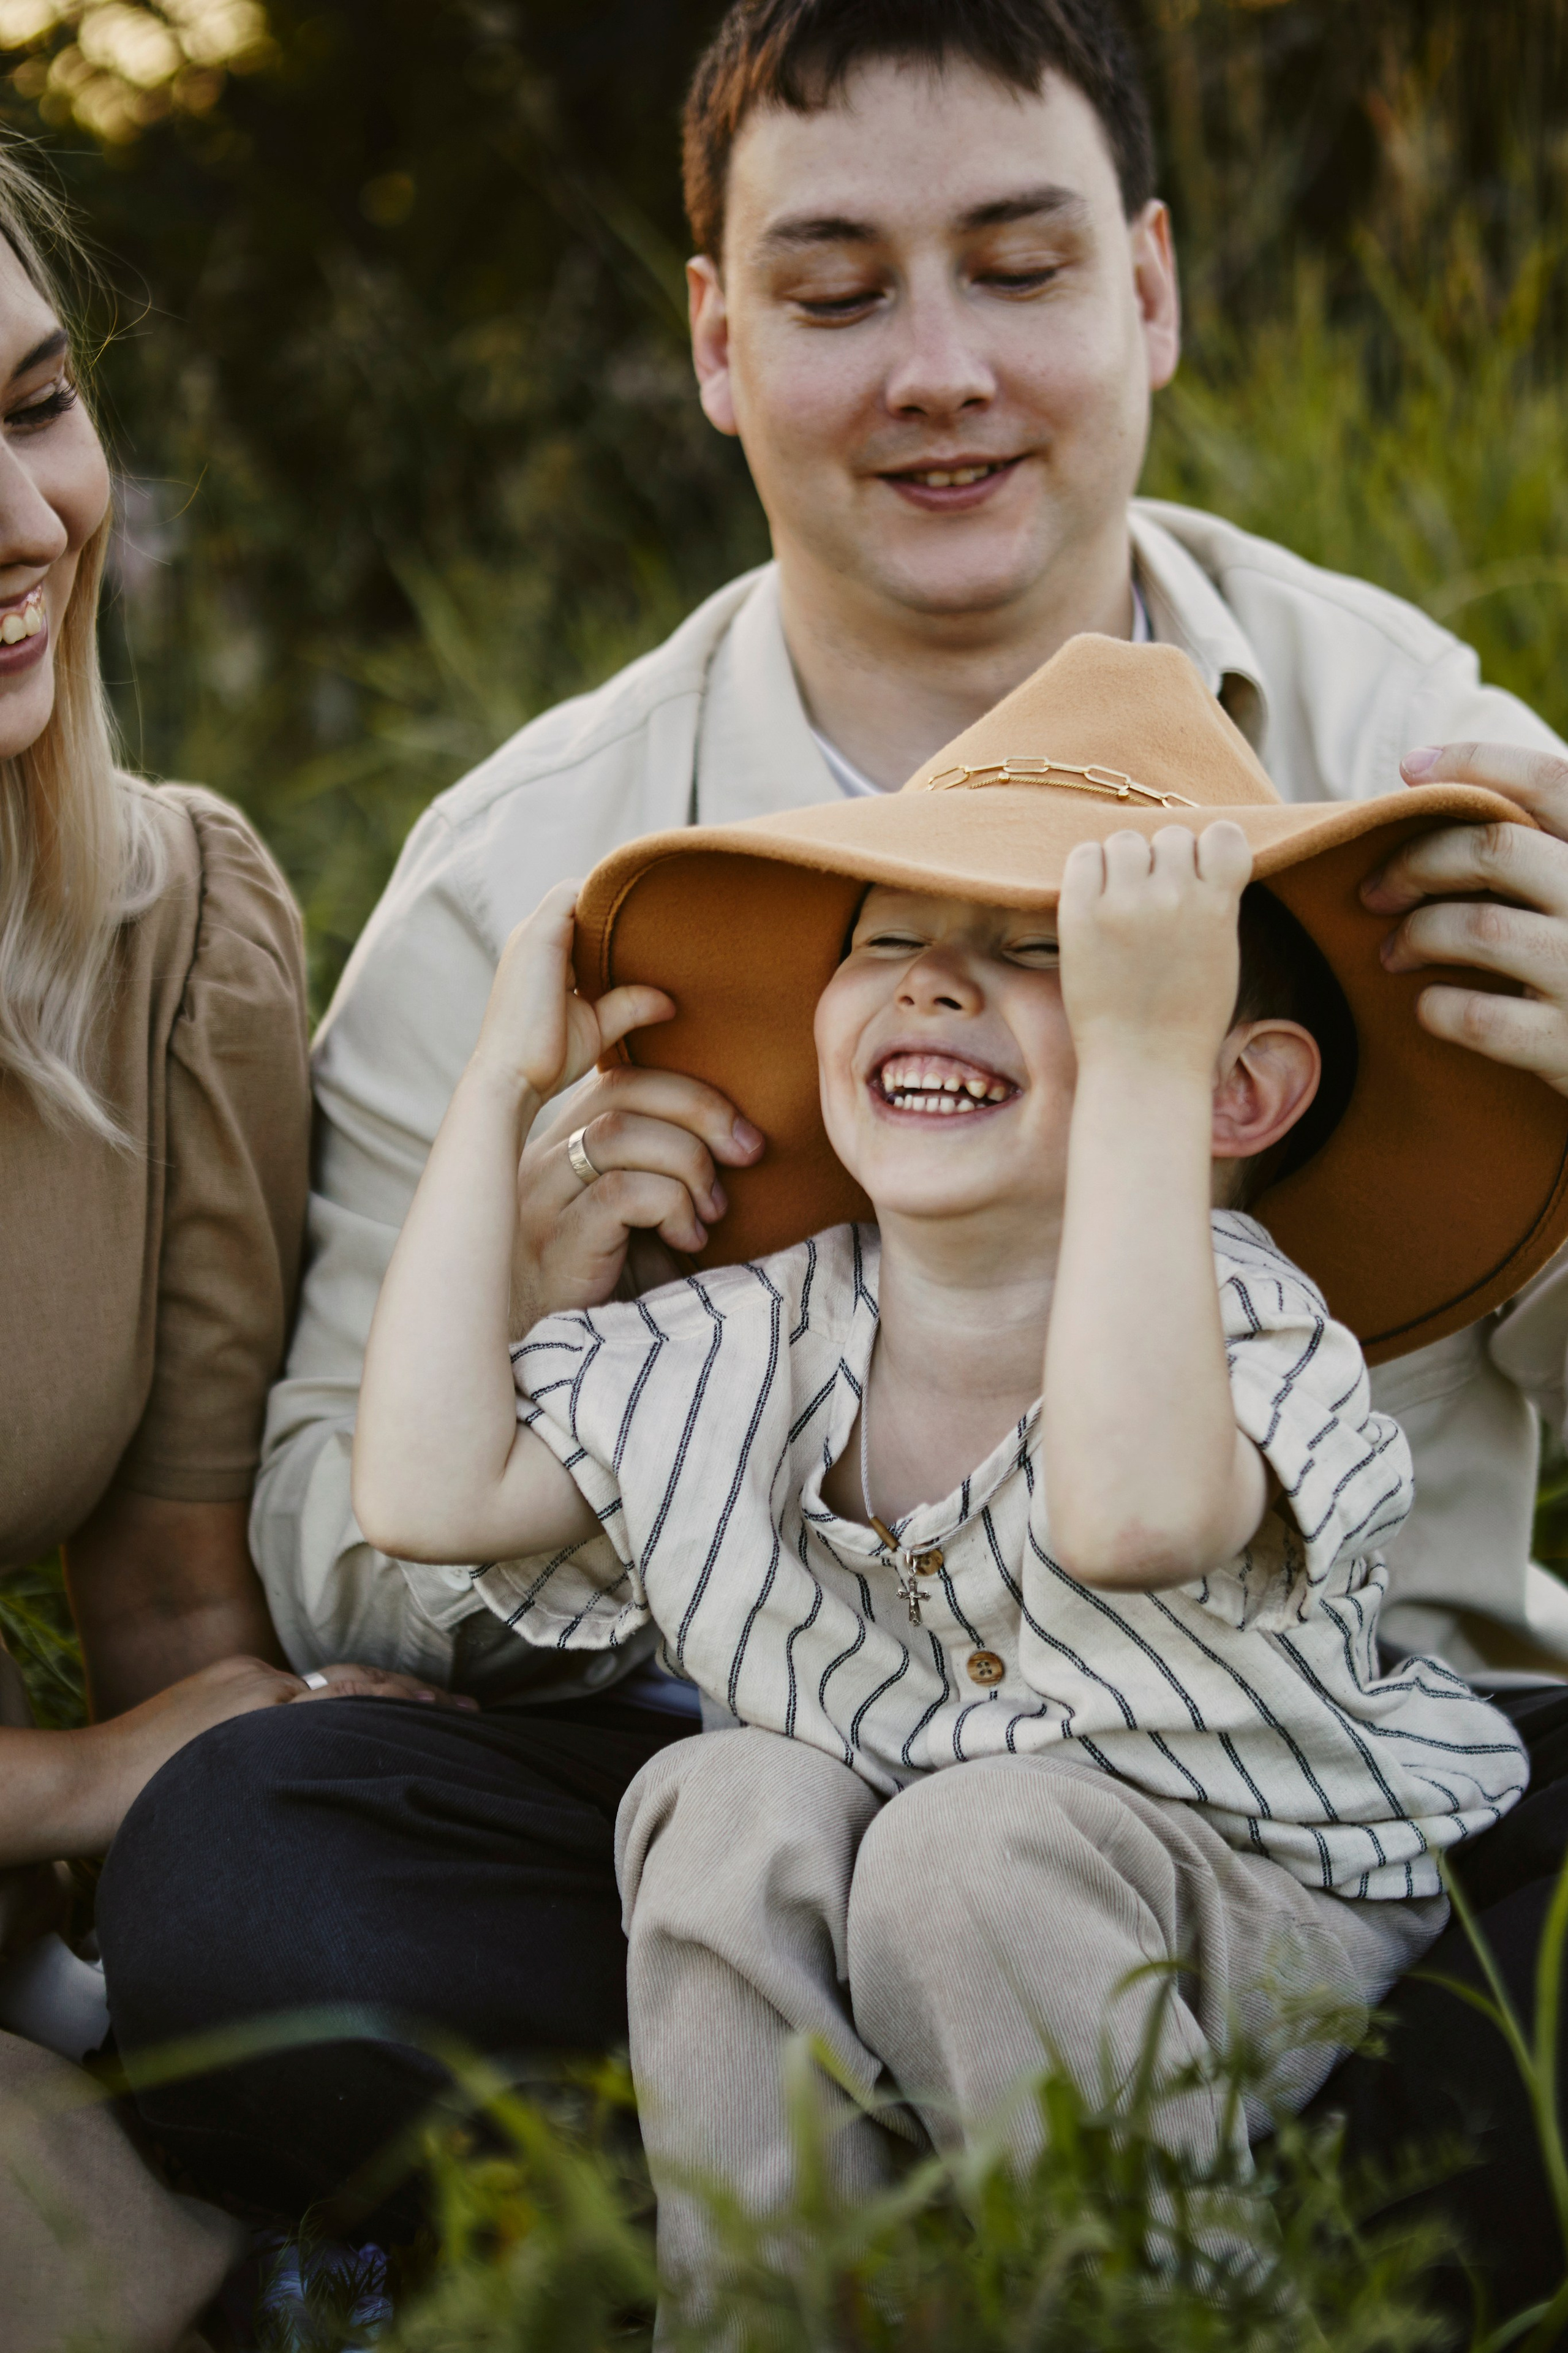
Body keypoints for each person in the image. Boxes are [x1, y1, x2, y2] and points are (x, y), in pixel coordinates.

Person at [97, 0, 1568, 2291]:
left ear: (1150, 287)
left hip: (1339, 1809)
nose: (939, 372)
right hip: (754, 1789)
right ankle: (904, 2214)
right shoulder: (531, 875)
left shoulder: (1436, 771)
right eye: (839, 291)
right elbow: (346, 1539)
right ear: (718, 339)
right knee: (251, 1868)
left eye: (1019, 267)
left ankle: (1138, 2218)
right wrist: (539, 1294)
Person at [349, 633, 1545, 2295]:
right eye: (887, 938)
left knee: (970, 1845)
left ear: (1239, 1089)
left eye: (1050, 950)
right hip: (889, 1895)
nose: (930, 981)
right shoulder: (760, 1332)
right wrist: (495, 1097)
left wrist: (1145, 1059)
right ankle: (776, 2314)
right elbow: (427, 1494)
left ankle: (1149, 2315)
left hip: (1250, 1904)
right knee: (719, 1795)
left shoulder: (1248, 1324)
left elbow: (1132, 1517)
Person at [0, 148, 467, 2352]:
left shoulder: (170, 927)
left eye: (36, 408)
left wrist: (245, 1777)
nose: (28, 523)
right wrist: (76, 1782)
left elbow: (174, 1603)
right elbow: (110, 1742)